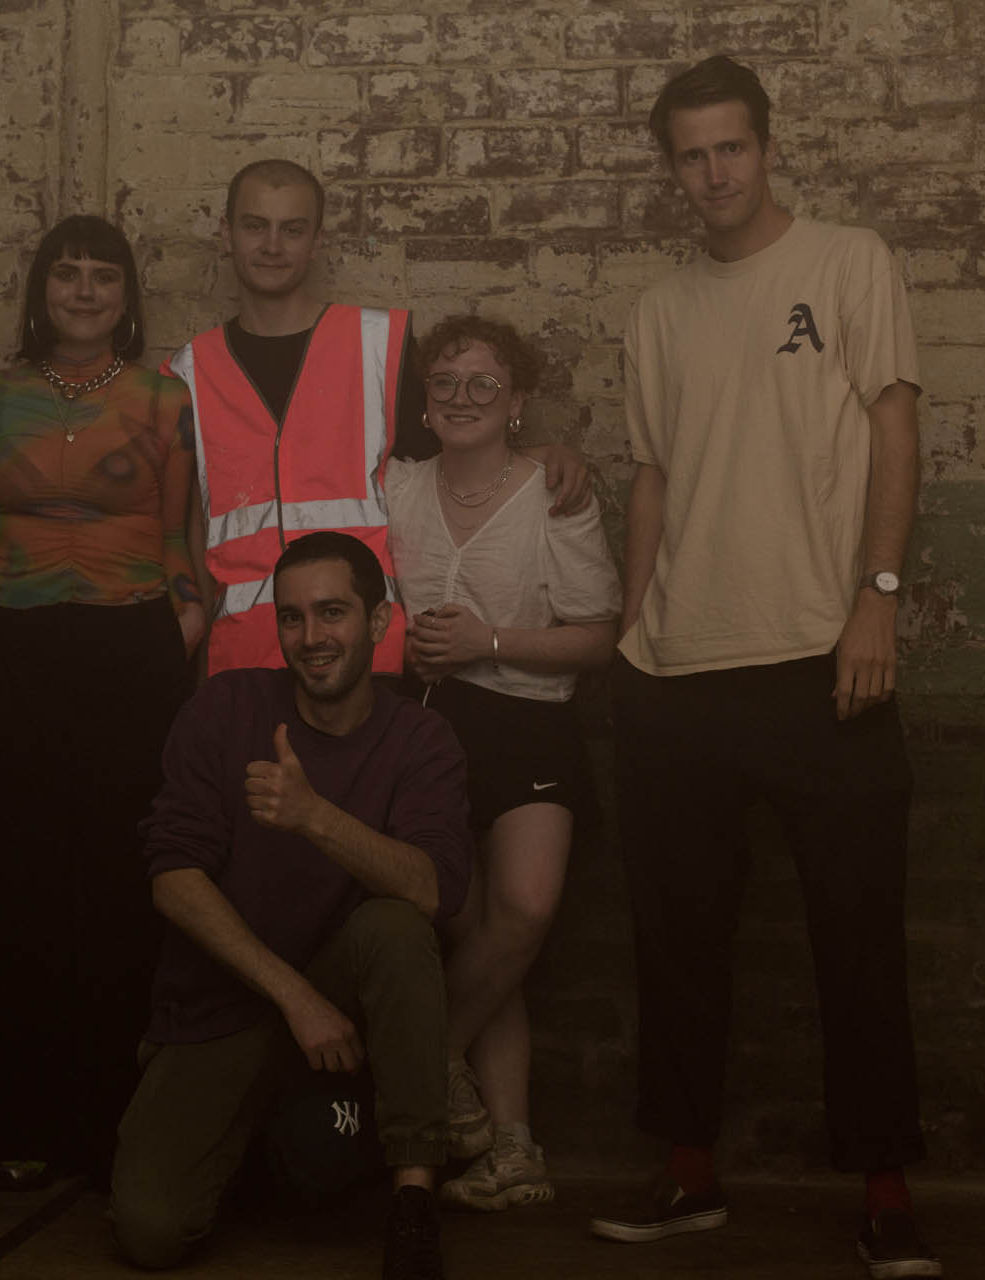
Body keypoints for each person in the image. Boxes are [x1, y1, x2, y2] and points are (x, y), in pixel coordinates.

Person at [588, 56, 937, 1279]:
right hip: (675, 671)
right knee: (678, 940)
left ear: (768, 146)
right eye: (690, 154)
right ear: (670, 166)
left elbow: (895, 430)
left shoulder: (850, 262)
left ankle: (886, 1191)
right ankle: (689, 1175)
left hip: (822, 657)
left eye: (730, 147)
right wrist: (633, 631)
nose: (712, 172)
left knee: (858, 933)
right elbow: (654, 476)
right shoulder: (659, 309)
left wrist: (876, 600)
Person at [110, 531, 473, 1280]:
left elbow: (434, 889)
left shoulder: (421, 737)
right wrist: (294, 996)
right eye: (293, 617)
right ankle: (252, 1150)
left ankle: (413, 1201)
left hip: (351, 996)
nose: (312, 637)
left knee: (398, 927)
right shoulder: (226, 707)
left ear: (378, 623)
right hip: (229, 1002)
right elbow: (172, 876)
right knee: (151, 1231)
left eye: (333, 613)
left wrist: (314, 817)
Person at [0, 215, 201, 1188]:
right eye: (67, 274)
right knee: (11, 876)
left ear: (128, 299)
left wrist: (183, 619)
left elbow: (177, 538)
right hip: (11, 638)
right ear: (40, 289)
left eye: (103, 277)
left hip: (129, 641)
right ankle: (11, 1122)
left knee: (119, 877)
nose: (84, 291)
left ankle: (110, 1124)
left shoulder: (161, 398)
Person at [165, 158, 590, 676]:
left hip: (368, 659)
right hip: (240, 660)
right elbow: (186, 525)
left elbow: (453, 456)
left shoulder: (379, 345)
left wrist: (541, 456)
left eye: (292, 229)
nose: (273, 246)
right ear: (227, 233)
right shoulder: (187, 371)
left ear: (317, 241)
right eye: (256, 226)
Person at [385, 316, 620, 1211]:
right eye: (444, 383)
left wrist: (486, 640)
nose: (461, 398)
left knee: (524, 909)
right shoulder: (395, 487)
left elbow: (598, 639)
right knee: (475, 933)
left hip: (530, 722)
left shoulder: (555, 495)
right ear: (424, 401)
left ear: (517, 402)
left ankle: (425, 1062)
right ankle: (513, 1149)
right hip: (427, 726)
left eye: (483, 383)